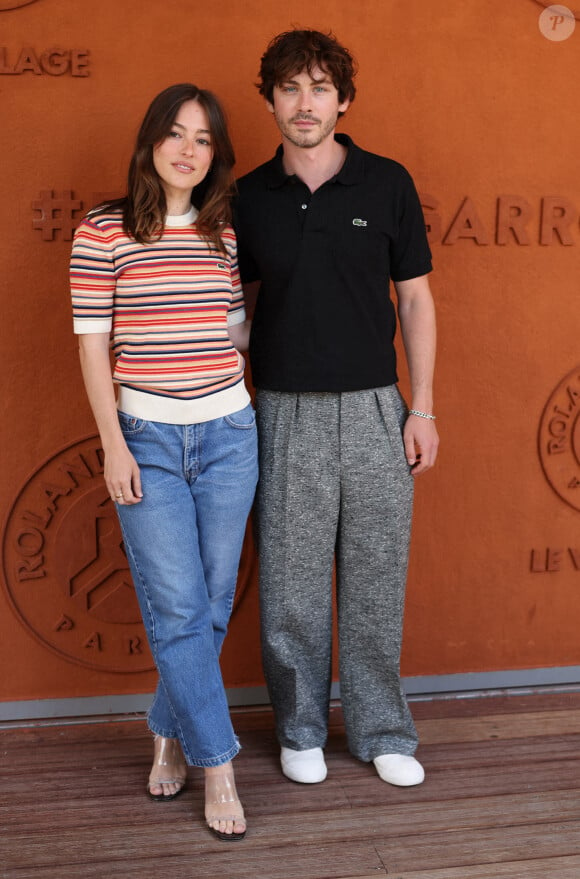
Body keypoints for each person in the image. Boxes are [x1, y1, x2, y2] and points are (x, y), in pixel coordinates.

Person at [234, 30, 439, 787]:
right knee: (290, 584)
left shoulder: (386, 183)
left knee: (377, 572)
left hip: (377, 409)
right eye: (289, 88)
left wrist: (424, 409)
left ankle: (383, 729)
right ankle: (299, 728)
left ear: (343, 99)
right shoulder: (249, 197)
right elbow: (237, 304)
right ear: (270, 101)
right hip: (283, 410)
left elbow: (415, 298)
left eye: (320, 87)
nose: (305, 103)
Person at [70, 83, 258, 840]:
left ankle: (166, 726)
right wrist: (114, 442)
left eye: (204, 139)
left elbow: (234, 333)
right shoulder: (103, 231)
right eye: (177, 134)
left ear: (215, 155)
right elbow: (91, 347)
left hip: (229, 434)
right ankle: (219, 764)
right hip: (145, 435)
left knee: (211, 603)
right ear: (152, 141)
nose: (188, 149)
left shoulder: (223, 233)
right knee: (179, 604)